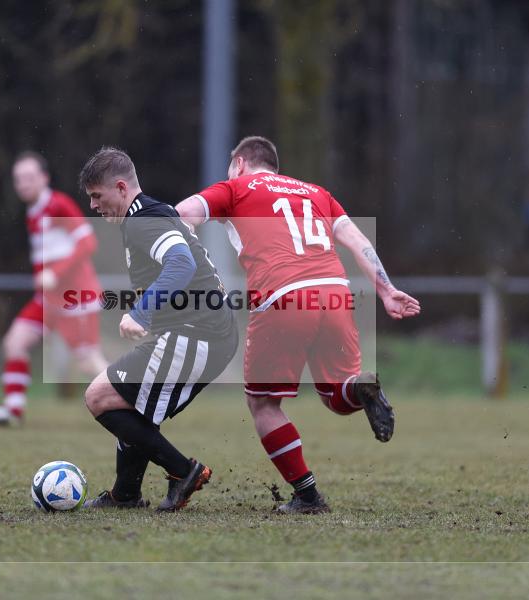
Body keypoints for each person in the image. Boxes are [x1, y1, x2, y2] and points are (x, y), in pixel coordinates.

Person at [176, 136, 421, 514]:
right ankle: (361, 387)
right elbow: (357, 241)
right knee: (338, 397)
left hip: (283, 296)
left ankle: (307, 495)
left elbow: (183, 214)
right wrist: (387, 290)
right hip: (336, 294)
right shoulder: (317, 193)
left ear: (240, 163)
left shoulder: (236, 187)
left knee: (263, 403)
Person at [78, 147, 238, 511]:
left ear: (121, 187)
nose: (94, 207)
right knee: (127, 403)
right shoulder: (148, 214)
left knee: (99, 396)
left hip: (198, 333)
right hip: (205, 332)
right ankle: (126, 495)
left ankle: (184, 471)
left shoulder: (143, 219)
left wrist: (142, 313)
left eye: (97, 196)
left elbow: (179, 263)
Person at [0, 151, 109, 425]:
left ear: (44, 178)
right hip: (49, 300)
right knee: (15, 342)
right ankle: (13, 412)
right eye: (18, 179)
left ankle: (135, 409)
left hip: (75, 297)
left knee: (88, 361)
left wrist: (55, 274)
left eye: (29, 177)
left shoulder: (59, 204)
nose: (23, 183)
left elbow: (87, 242)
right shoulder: (32, 212)